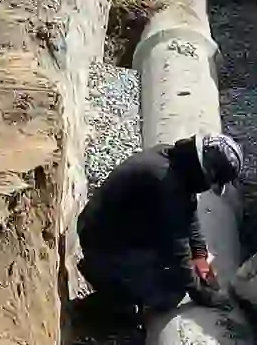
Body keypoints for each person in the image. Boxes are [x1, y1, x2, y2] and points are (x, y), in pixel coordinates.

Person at [76, 133, 246, 316]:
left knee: (170, 265)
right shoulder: (166, 183)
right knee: (170, 293)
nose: (208, 188)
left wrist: (202, 261)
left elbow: (189, 216)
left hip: (104, 228)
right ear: (206, 174)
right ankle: (101, 302)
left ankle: (114, 278)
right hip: (99, 243)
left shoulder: (176, 162)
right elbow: (179, 250)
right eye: (212, 183)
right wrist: (203, 294)